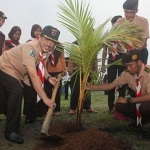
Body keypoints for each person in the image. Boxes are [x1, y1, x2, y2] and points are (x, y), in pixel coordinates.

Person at [0, 25, 60, 144]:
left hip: (20, 73)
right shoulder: (31, 47)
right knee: (16, 91)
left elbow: (40, 65)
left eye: (52, 42)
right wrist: (45, 99)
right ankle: (11, 131)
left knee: (31, 90)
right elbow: (33, 76)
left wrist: (48, 78)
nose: (49, 44)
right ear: (40, 37)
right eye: (46, 39)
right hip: (5, 66)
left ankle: (31, 117)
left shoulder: (46, 50)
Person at [86, 49, 150, 127]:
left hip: (147, 102)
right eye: (126, 66)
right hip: (139, 102)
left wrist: (128, 100)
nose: (128, 68)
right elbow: (111, 85)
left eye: (130, 65)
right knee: (119, 105)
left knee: (145, 107)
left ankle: (144, 119)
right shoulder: (127, 73)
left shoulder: (148, 72)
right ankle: (141, 120)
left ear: (139, 62)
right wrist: (91, 87)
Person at [102, 15, 127, 114]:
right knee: (111, 82)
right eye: (115, 23)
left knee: (122, 82)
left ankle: (121, 105)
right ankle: (110, 107)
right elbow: (104, 49)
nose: (117, 24)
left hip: (122, 57)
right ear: (112, 23)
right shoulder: (107, 34)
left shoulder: (125, 33)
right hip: (111, 58)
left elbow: (129, 48)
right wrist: (103, 63)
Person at [68, 41, 97, 115]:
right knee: (75, 89)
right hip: (77, 70)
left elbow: (95, 59)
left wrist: (95, 71)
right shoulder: (75, 44)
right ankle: (73, 108)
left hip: (88, 70)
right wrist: (70, 69)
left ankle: (87, 107)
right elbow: (71, 57)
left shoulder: (93, 44)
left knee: (87, 90)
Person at [116, 0, 149, 64]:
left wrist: (135, 51)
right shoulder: (120, 22)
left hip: (141, 51)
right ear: (123, 10)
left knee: (141, 72)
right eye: (126, 12)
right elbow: (117, 38)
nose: (129, 15)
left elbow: (144, 40)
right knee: (124, 73)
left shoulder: (143, 21)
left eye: (132, 12)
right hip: (125, 52)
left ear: (136, 11)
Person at [23, 24, 42, 123]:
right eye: (36, 31)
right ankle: (28, 116)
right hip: (29, 70)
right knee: (29, 93)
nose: (38, 33)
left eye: (39, 31)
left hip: (38, 70)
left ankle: (34, 115)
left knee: (35, 92)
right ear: (32, 31)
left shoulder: (41, 44)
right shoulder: (28, 43)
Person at [44, 44, 66, 116]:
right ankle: (48, 109)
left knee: (57, 91)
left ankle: (56, 109)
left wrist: (63, 70)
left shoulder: (60, 47)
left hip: (58, 71)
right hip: (48, 72)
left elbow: (62, 58)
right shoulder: (47, 45)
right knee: (47, 91)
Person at [0, 11, 7, 117]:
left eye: (3, 20)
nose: (2, 22)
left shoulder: (2, 35)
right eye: (0, 19)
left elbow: (3, 50)